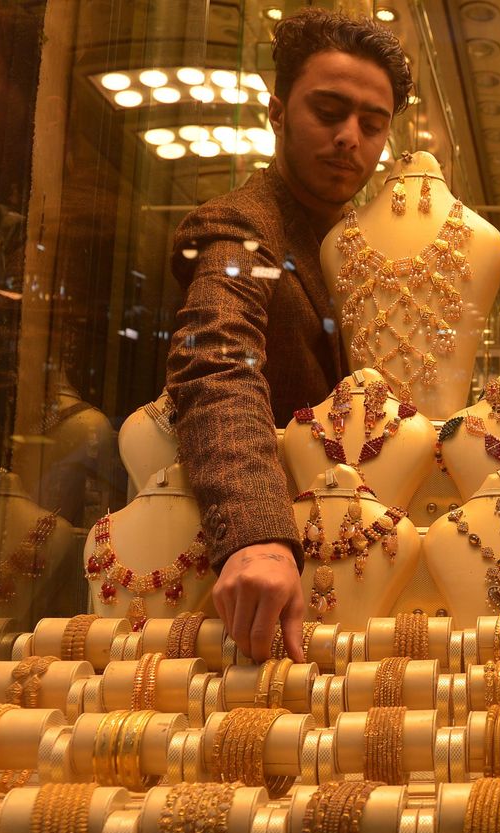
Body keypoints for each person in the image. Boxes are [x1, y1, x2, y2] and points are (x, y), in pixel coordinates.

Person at [164, 9, 413, 663]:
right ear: (276, 112)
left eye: (372, 123)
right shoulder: (243, 230)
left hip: (358, 557)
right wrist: (254, 535)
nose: (348, 138)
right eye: (328, 111)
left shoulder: (363, 243)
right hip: (265, 580)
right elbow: (216, 362)